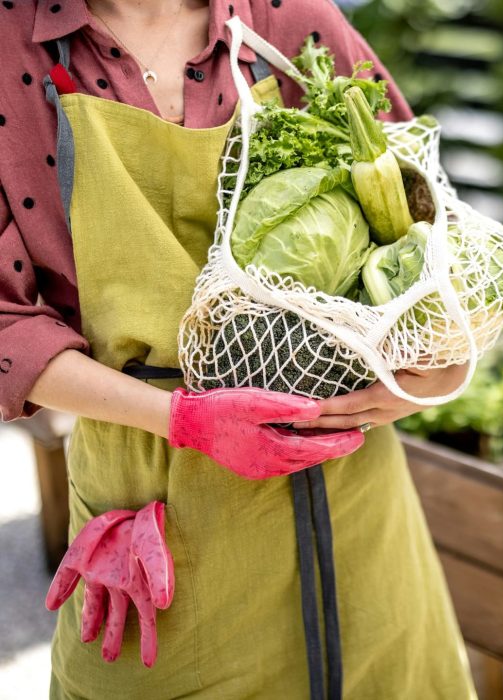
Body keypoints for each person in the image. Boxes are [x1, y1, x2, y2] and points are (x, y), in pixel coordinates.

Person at [0, 1, 477, 697]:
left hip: (351, 494)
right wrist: (184, 419)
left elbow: (431, 231)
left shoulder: (290, 20)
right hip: (153, 504)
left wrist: (434, 373)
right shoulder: (12, 48)